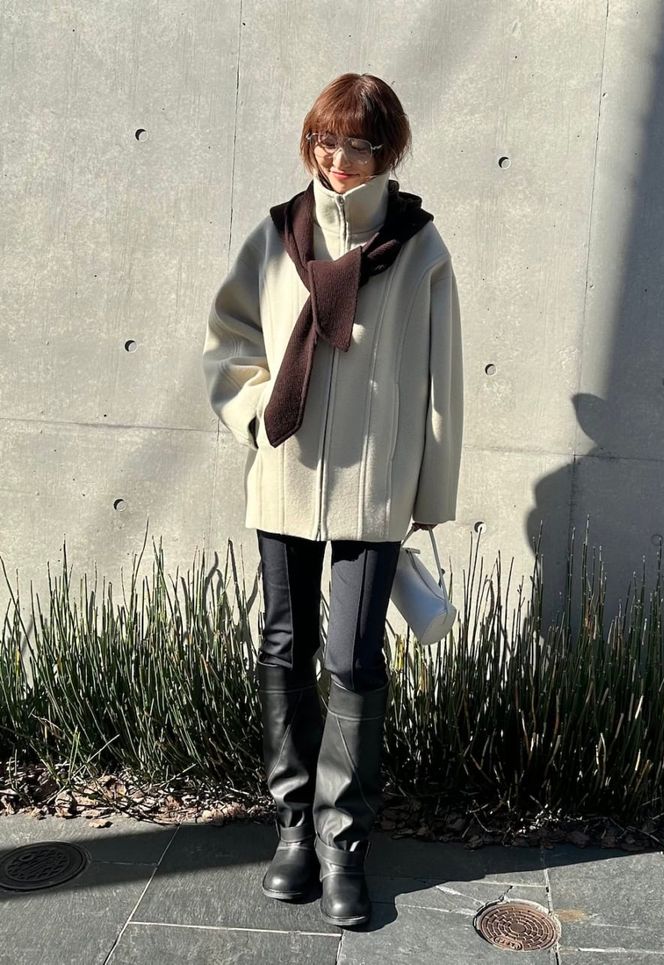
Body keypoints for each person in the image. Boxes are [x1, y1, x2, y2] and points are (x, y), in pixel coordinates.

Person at [202, 72, 463, 929]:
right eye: (326, 139)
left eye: (358, 142)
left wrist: (427, 489)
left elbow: (442, 379)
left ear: (387, 150)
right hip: (284, 476)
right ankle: (292, 828)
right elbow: (229, 339)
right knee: (284, 647)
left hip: (372, 489)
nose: (338, 157)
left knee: (353, 659)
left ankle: (342, 840)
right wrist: (254, 415)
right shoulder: (280, 234)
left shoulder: (419, 248)